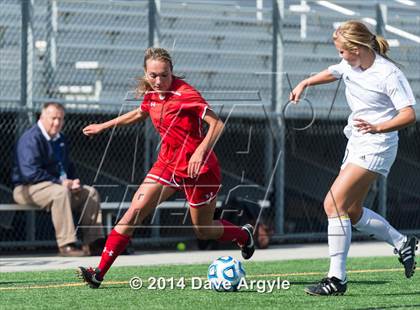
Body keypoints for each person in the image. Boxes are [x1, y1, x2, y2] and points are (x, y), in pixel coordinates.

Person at [77, 47, 255, 288]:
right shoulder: (152, 93)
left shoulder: (186, 93)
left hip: (198, 171)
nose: (159, 81)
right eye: (153, 76)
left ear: (172, 72)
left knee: (203, 230)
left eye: (164, 75)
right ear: (146, 73)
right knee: (134, 212)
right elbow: (139, 113)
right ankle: (99, 272)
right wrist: (104, 125)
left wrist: (201, 152)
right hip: (167, 165)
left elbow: (217, 124)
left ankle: (244, 235)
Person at [289, 20, 417, 296]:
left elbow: (409, 113)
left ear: (357, 48)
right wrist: (305, 82)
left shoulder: (387, 73)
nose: (340, 57)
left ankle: (337, 279)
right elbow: (333, 72)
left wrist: (378, 127)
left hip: (378, 144)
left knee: (333, 203)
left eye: (342, 52)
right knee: (352, 211)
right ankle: (402, 241)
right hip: (358, 142)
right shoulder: (351, 64)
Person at [12, 102, 105, 257]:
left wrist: (73, 182)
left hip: (57, 187)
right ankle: (67, 244)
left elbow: (68, 167)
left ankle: (94, 244)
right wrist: (62, 183)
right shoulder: (31, 138)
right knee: (60, 192)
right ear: (42, 117)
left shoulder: (60, 138)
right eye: (53, 118)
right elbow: (29, 173)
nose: (57, 122)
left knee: (90, 193)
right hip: (26, 189)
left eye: (60, 119)